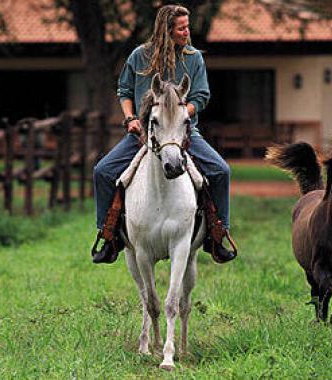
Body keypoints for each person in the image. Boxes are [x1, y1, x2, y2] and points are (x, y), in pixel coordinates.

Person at [91, 4, 237, 264]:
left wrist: (180, 116)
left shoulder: (194, 58)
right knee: (102, 171)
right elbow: (124, 91)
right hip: (143, 135)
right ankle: (108, 235)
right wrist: (130, 119)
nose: (187, 32)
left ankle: (217, 234)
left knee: (221, 170)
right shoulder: (139, 56)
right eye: (181, 28)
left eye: (187, 27)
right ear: (166, 31)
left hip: (184, 134)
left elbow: (201, 97)